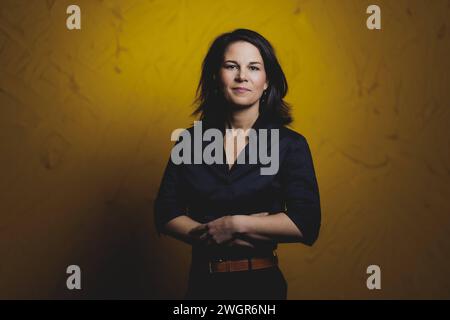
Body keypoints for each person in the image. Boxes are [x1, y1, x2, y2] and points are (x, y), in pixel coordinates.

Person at [154, 28, 321, 300]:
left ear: (267, 81)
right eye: (231, 66)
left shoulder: (290, 145)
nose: (242, 76)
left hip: (261, 287)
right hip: (201, 287)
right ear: (215, 76)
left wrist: (235, 224)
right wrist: (209, 234)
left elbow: (306, 222)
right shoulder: (190, 141)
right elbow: (165, 211)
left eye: (254, 67)